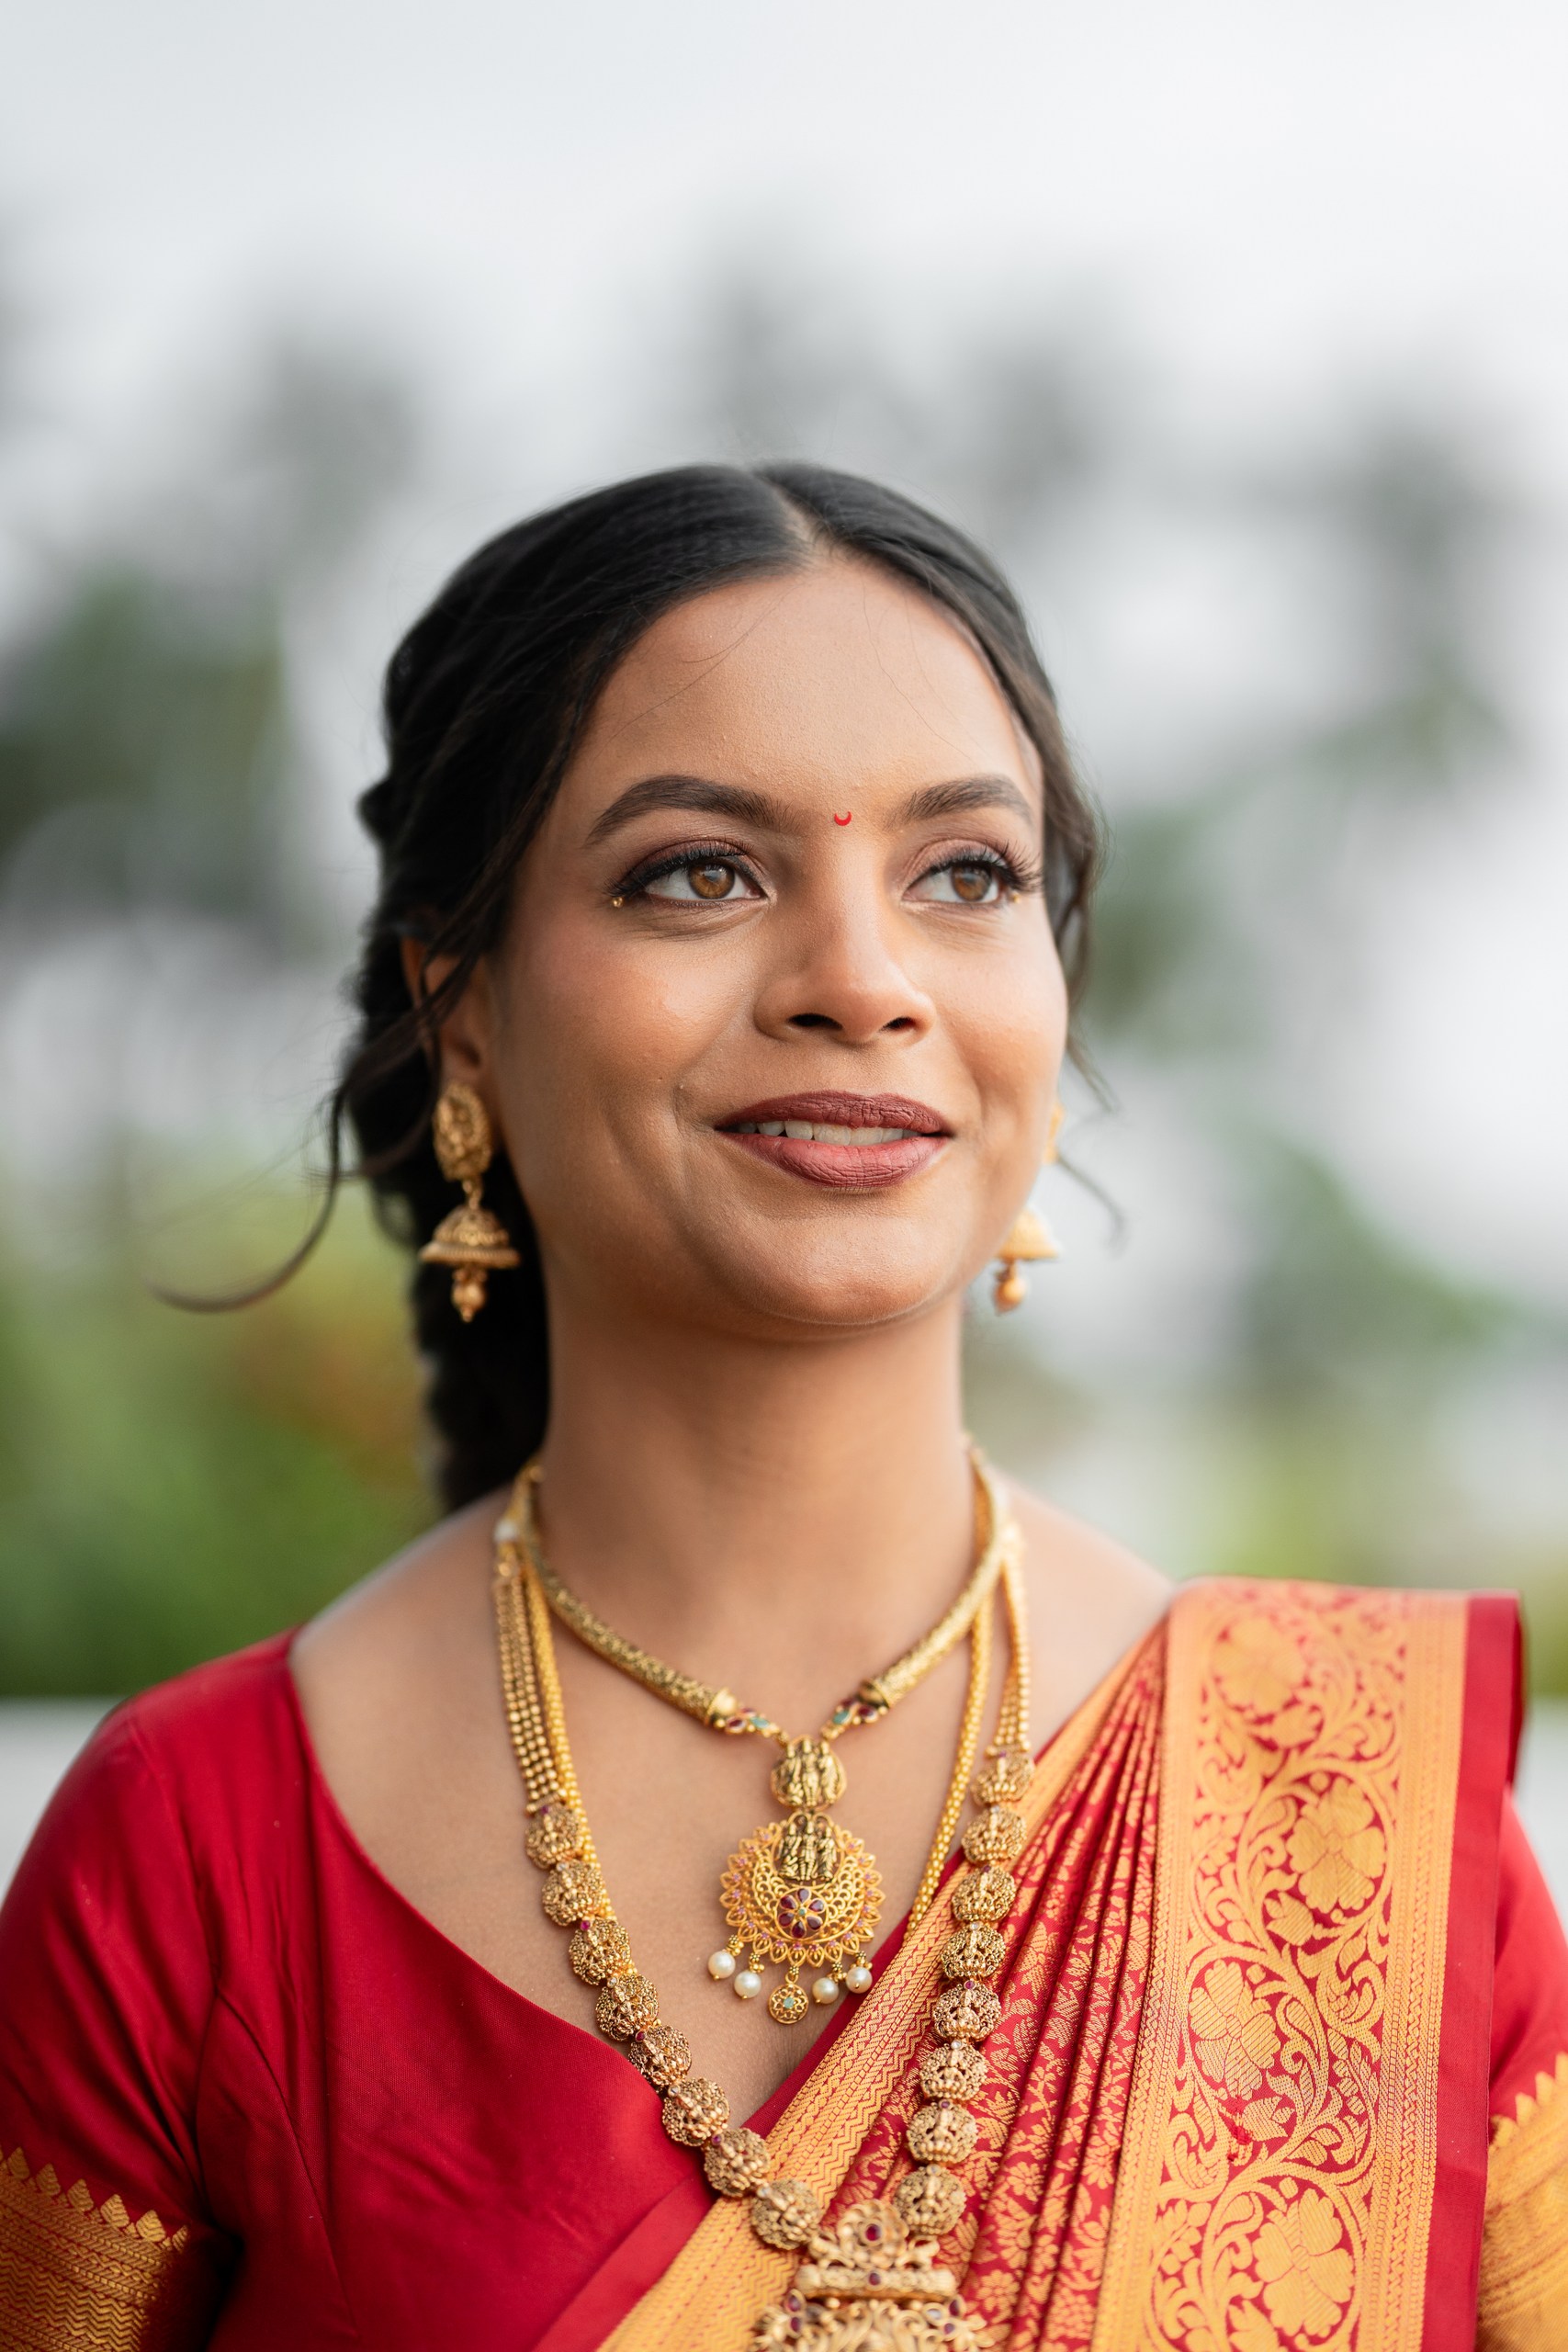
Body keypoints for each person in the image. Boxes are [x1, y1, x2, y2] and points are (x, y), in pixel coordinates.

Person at [0, 464, 1562, 2352]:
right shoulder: (200, 1849)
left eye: (962, 875)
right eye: (698, 871)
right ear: (464, 1007)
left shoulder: (1350, 1818)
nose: (859, 977)